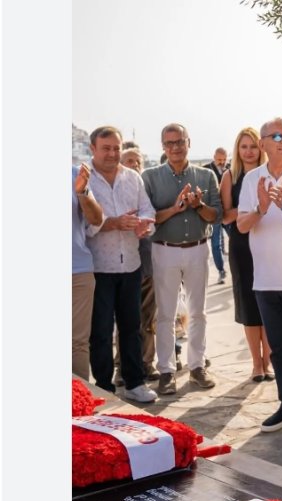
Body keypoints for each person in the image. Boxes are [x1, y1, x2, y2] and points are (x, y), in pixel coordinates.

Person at [237, 118, 282, 432]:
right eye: (277, 136)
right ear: (264, 142)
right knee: (278, 349)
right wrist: (263, 208)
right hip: (265, 281)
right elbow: (241, 225)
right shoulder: (252, 179)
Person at [142, 123, 222, 395]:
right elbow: (148, 217)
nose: (175, 147)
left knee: (198, 311)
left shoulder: (206, 176)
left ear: (189, 142)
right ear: (163, 146)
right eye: (169, 143)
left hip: (198, 248)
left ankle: (197, 366)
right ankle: (166, 371)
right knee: (164, 314)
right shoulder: (149, 177)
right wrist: (175, 209)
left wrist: (198, 206)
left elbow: (216, 216)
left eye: (180, 142)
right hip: (164, 249)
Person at [84, 126, 158, 403]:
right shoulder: (83, 179)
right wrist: (112, 223)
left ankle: (135, 383)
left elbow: (148, 209)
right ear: (93, 149)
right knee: (100, 332)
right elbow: (81, 224)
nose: (113, 153)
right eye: (106, 148)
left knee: (132, 327)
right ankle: (103, 387)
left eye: (116, 148)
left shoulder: (133, 178)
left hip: (131, 263)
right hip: (99, 266)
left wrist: (143, 225)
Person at [220, 127, 272, 383]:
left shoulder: (270, 173)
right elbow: (225, 215)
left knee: (271, 303)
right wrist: (253, 208)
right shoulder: (231, 176)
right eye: (244, 147)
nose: (249, 151)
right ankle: (256, 364)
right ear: (237, 150)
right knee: (248, 304)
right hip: (241, 246)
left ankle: (268, 361)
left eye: (253, 146)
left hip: (268, 243)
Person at [111, 147, 160, 386]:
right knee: (126, 321)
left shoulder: (145, 189)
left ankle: (147, 363)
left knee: (148, 319)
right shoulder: (115, 189)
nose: (133, 165)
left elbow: (154, 220)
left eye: (137, 161)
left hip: (148, 265)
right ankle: (121, 367)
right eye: (128, 161)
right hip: (121, 266)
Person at [72, 163, 103, 380]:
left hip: (77, 271)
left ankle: (77, 406)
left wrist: (82, 192)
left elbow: (96, 219)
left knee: (77, 343)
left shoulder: (75, 173)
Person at [203, 147, 229, 284]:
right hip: (215, 213)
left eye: (224, 160)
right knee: (215, 244)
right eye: (219, 159)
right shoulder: (206, 170)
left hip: (228, 212)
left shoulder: (229, 170)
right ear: (214, 157)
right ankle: (221, 270)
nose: (222, 162)